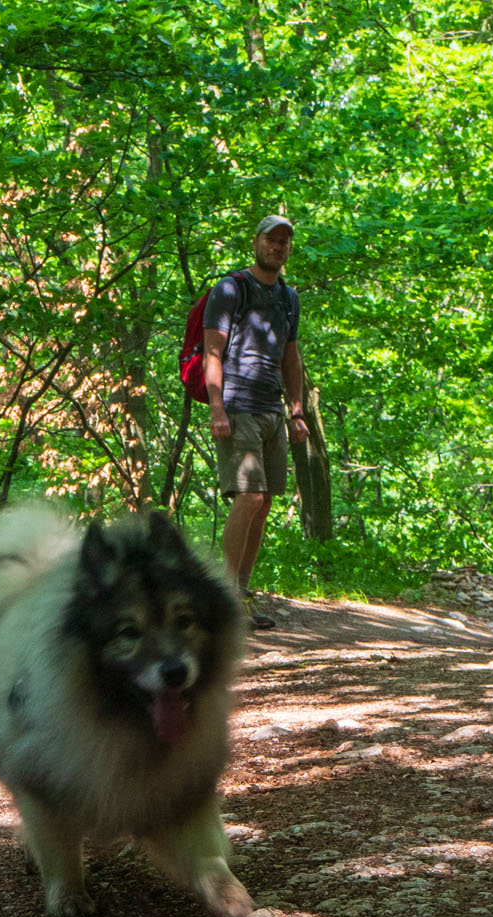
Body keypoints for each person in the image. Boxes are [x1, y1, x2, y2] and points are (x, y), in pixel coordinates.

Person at [202, 214, 306, 630]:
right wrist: (216, 406)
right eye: (271, 240)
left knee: (263, 503)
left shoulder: (288, 298)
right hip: (237, 405)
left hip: (272, 409)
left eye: (284, 242)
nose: (277, 247)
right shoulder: (230, 289)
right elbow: (213, 351)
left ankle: (241, 594)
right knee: (248, 497)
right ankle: (224, 595)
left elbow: (291, 357)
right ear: (256, 241)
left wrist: (297, 412)